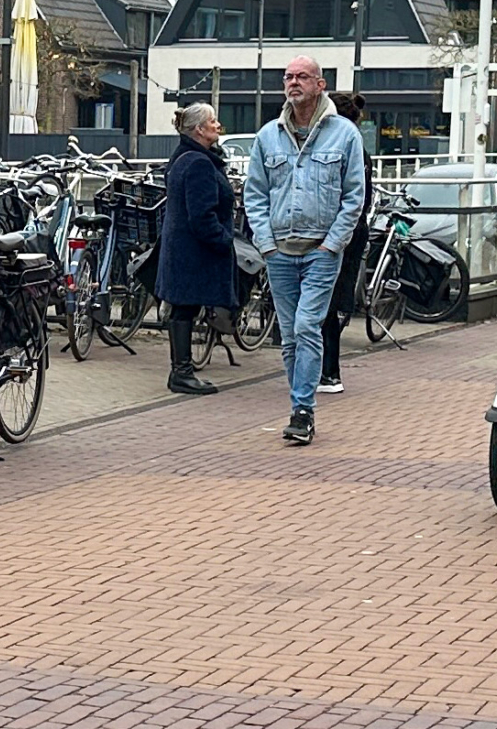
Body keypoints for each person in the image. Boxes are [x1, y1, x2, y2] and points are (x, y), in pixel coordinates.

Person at [243, 56, 367, 447]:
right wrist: (265, 242)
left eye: (301, 77)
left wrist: (334, 243)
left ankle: (302, 409)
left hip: (321, 250)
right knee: (291, 337)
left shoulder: (344, 135)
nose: (293, 83)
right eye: (288, 77)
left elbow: (354, 197)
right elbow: (255, 194)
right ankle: (300, 407)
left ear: (320, 84)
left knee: (305, 326)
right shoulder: (268, 136)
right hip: (279, 250)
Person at [154, 104, 232, 396]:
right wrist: (223, 240)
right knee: (185, 308)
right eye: (212, 120)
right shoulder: (199, 163)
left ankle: (182, 369)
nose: (217, 124)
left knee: (182, 308)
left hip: (179, 245)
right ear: (199, 129)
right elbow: (202, 214)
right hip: (193, 249)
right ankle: (182, 372)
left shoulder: (181, 158)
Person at [320, 91, 373, 394]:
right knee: (334, 299)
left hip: (339, 233)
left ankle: (328, 370)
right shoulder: (359, 149)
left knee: (326, 300)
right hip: (353, 231)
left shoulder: (345, 148)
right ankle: (328, 370)